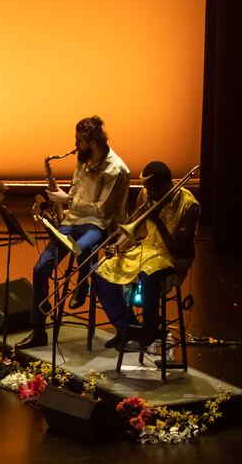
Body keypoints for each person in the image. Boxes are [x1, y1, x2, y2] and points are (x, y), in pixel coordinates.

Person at [19, 115, 129, 348]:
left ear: (92, 141)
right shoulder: (83, 159)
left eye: (79, 140)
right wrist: (62, 196)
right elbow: (77, 193)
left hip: (99, 224)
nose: (75, 145)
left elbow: (102, 210)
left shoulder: (116, 169)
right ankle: (38, 330)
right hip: (73, 220)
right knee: (40, 268)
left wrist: (67, 198)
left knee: (85, 249)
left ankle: (83, 283)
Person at [90, 161, 198, 351]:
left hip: (173, 256)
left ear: (163, 186)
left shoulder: (189, 205)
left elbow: (179, 249)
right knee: (99, 271)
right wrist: (116, 246)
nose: (146, 192)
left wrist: (156, 218)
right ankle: (126, 327)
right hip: (149, 248)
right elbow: (134, 226)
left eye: (149, 188)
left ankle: (150, 328)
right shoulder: (147, 194)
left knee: (148, 275)